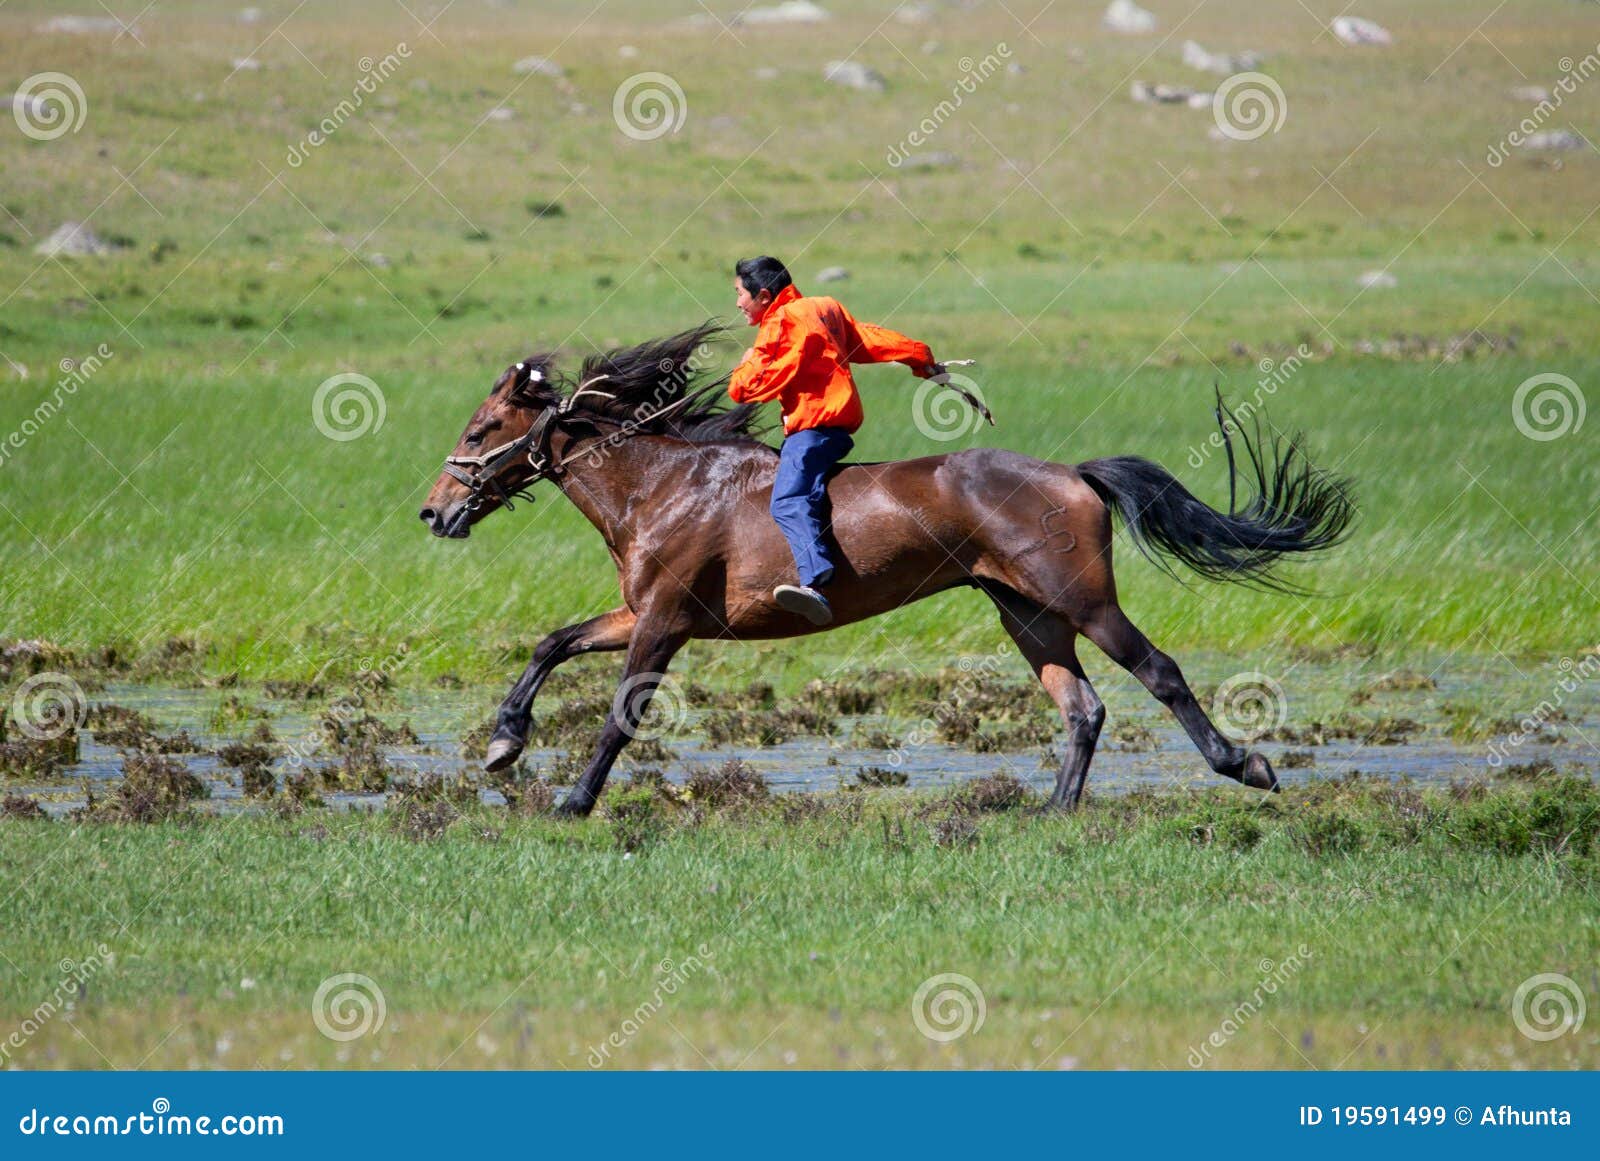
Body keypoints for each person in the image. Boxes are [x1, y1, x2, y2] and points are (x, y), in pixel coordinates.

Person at [728, 255, 938, 626]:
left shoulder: (782, 321)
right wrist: (918, 356)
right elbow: (867, 340)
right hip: (836, 428)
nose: (737, 303)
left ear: (763, 295)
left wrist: (744, 365)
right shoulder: (824, 307)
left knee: (789, 499)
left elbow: (747, 389)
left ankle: (815, 584)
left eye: (739, 294)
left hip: (813, 430)